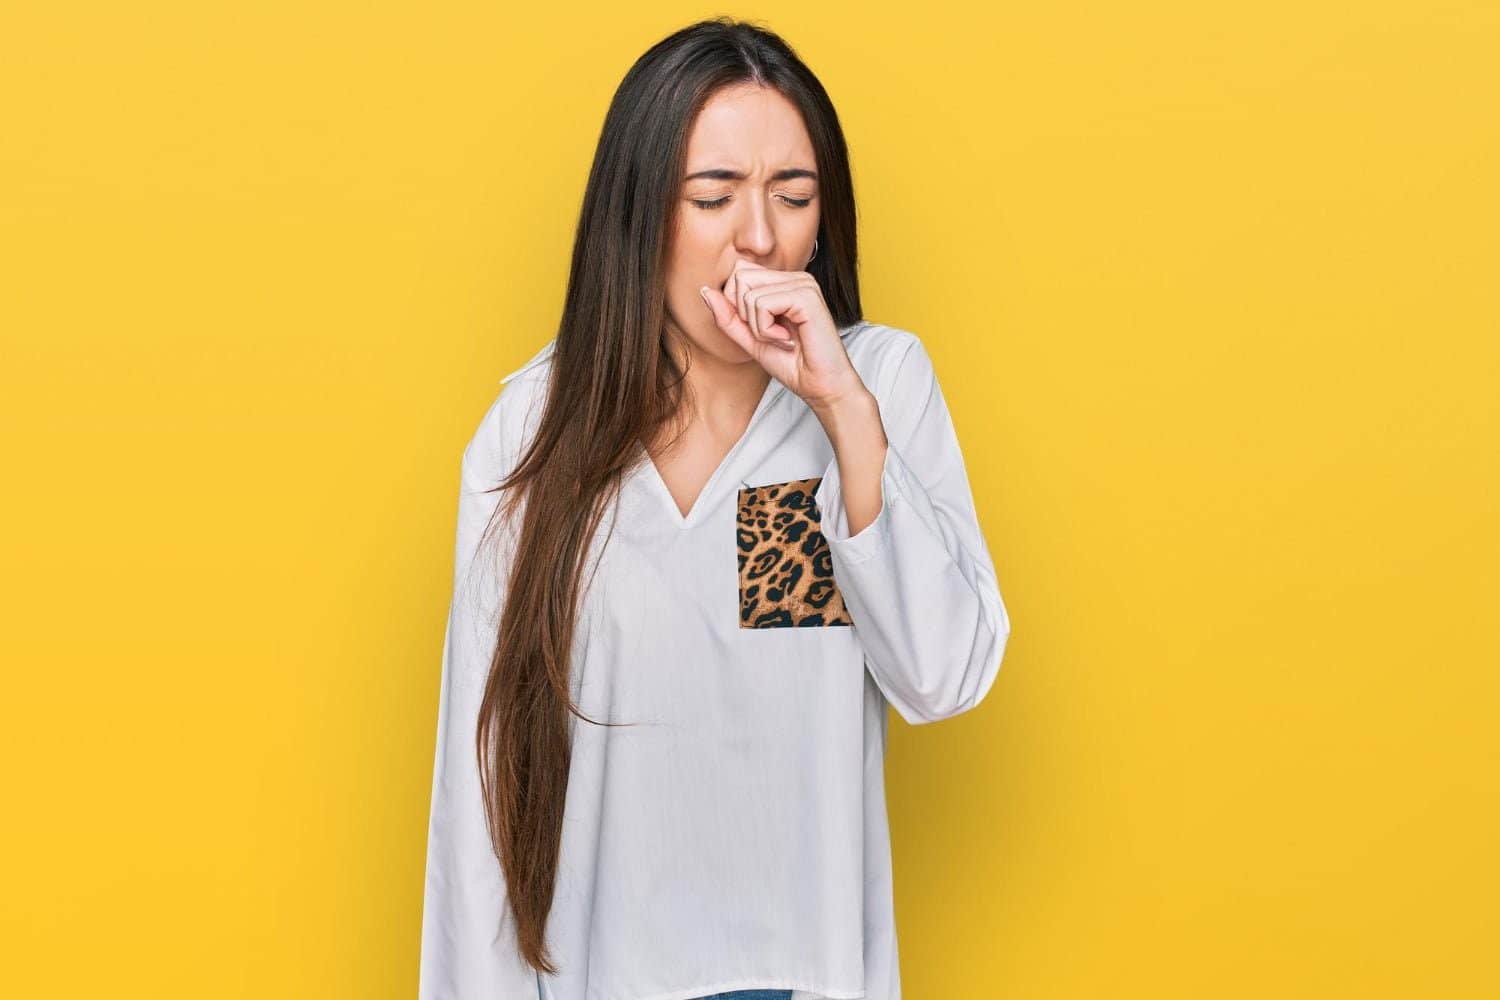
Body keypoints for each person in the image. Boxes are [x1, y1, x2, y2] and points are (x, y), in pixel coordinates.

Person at [417, 16, 1012, 1000]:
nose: (760, 238)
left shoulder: (880, 388)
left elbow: (945, 675)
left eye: (794, 195)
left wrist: (841, 409)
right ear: (641, 211)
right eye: (712, 196)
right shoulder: (533, 426)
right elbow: (481, 786)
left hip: (806, 974)